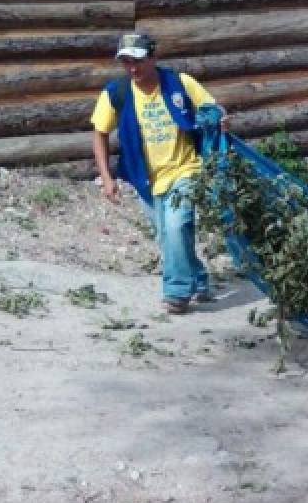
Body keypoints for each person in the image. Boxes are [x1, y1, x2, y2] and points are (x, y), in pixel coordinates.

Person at [90, 33, 229, 315]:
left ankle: (177, 293)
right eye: (126, 62)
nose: (133, 68)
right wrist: (106, 177)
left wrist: (220, 119)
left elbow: (213, 109)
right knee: (168, 236)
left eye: (138, 61)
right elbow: (100, 133)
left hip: (186, 169)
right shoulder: (115, 93)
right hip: (146, 178)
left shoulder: (179, 83)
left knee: (177, 226)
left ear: (153, 57)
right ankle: (199, 280)